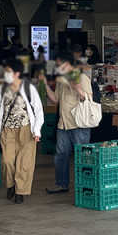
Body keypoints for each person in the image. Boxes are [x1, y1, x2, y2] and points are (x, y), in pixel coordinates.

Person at [0, 59, 43, 203]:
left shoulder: (28, 88)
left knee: (24, 163)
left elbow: (38, 110)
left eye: (8, 72)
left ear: (17, 73)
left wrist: (37, 131)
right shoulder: (2, 88)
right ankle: (11, 185)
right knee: (7, 161)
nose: (6, 74)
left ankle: (20, 191)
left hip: (26, 130)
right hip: (7, 129)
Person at [46, 52, 94, 194]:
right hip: (63, 124)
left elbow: (88, 98)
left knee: (82, 156)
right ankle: (61, 184)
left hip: (79, 124)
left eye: (62, 65)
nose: (60, 67)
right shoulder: (61, 80)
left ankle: (85, 185)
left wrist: (75, 85)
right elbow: (55, 100)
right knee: (61, 154)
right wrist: (45, 85)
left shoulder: (82, 78)